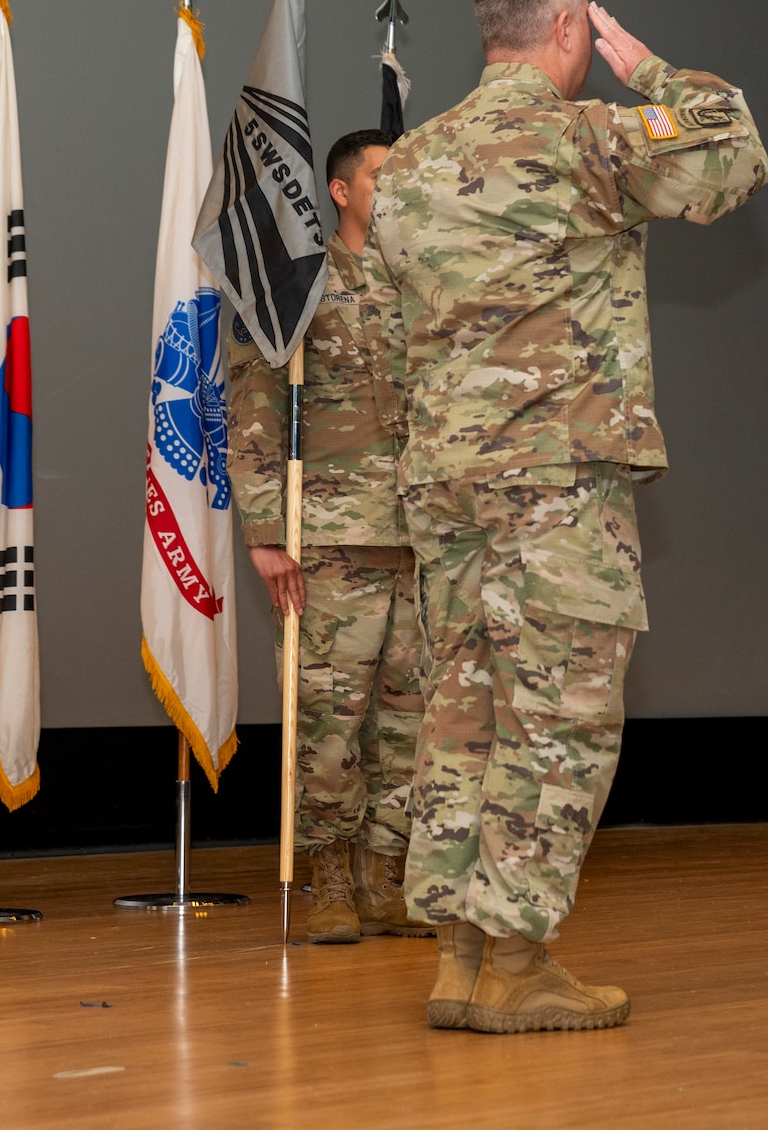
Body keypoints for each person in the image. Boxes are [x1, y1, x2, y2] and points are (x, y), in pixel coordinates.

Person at [373, 0, 768, 1032]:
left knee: (462, 710)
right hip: (553, 478)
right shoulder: (588, 136)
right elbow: (733, 157)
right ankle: (517, 956)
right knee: (561, 714)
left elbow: (390, 309)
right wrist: (652, 71)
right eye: (586, 29)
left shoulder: (408, 161)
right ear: (566, 32)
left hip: (444, 479)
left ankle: (459, 953)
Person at [225, 127, 429, 944]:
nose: (396, 190)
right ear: (340, 190)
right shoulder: (300, 284)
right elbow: (256, 402)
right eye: (382, 177)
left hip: (421, 536)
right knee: (329, 720)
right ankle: (330, 875)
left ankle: (385, 873)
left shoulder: (426, 283)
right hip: (334, 537)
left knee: (409, 723)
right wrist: (266, 528)